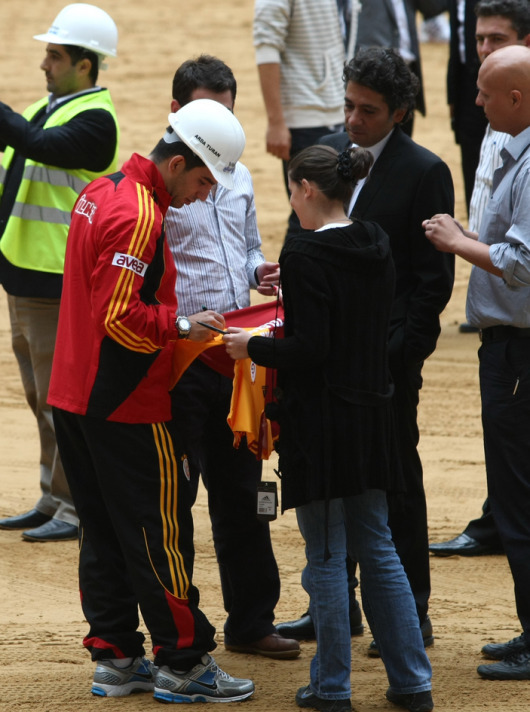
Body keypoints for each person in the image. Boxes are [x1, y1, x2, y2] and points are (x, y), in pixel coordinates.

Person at [47, 98, 256, 703]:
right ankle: (184, 661)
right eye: (200, 181)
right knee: (161, 531)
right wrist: (185, 326)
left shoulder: (101, 189)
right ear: (179, 162)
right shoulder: (141, 214)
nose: (199, 195)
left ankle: (115, 654)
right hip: (126, 401)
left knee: (104, 529)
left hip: (76, 395)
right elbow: (120, 318)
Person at [223, 144, 434, 712]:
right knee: (380, 547)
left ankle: (331, 687)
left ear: (307, 190)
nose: (291, 202)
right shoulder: (374, 241)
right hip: (373, 416)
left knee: (326, 555)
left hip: (322, 424)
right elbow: (349, 322)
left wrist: (254, 346)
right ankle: (413, 683)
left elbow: (311, 348)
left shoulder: (305, 253)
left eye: (292, 191)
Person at [276, 48, 455, 657]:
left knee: (394, 484)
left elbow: (429, 286)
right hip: (323, 367)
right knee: (332, 485)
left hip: (383, 368)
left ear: (399, 113)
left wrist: (395, 359)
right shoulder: (325, 153)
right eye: (348, 104)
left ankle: (414, 612)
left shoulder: (425, 170)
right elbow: (300, 236)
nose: (351, 119)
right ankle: (336, 610)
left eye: (367, 110)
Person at [165, 55, 299, 660]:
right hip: (185, 358)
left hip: (239, 354)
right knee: (179, 498)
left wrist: (259, 272)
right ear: (176, 114)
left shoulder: (239, 174)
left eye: (226, 110)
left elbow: (245, 248)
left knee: (245, 493)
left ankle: (251, 621)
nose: (219, 125)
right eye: (205, 111)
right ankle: (182, 629)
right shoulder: (162, 185)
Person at [423, 43, 530, 681]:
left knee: (517, 502)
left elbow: (521, 262)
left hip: (521, 350)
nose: (475, 101)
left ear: (517, 99)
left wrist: (460, 241)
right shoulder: (506, 139)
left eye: (486, 92)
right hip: (509, 346)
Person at [0, 3, 120, 542]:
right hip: (24, 275)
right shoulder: (44, 108)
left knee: (60, 402)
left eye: (54, 54)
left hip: (59, 283)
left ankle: (73, 509)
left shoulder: (96, 122)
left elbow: (40, 147)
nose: (43, 64)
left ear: (85, 66)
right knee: (37, 397)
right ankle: (52, 497)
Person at [253, 0, 358, 239]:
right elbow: (266, 47)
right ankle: (292, 276)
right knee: (306, 214)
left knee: (330, 212)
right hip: (303, 120)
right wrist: (277, 121)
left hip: (333, 109)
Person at [356, 0, 449, 136]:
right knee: (371, 136)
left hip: (406, 71)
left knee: (402, 137)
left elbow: (434, 8)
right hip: (373, 74)